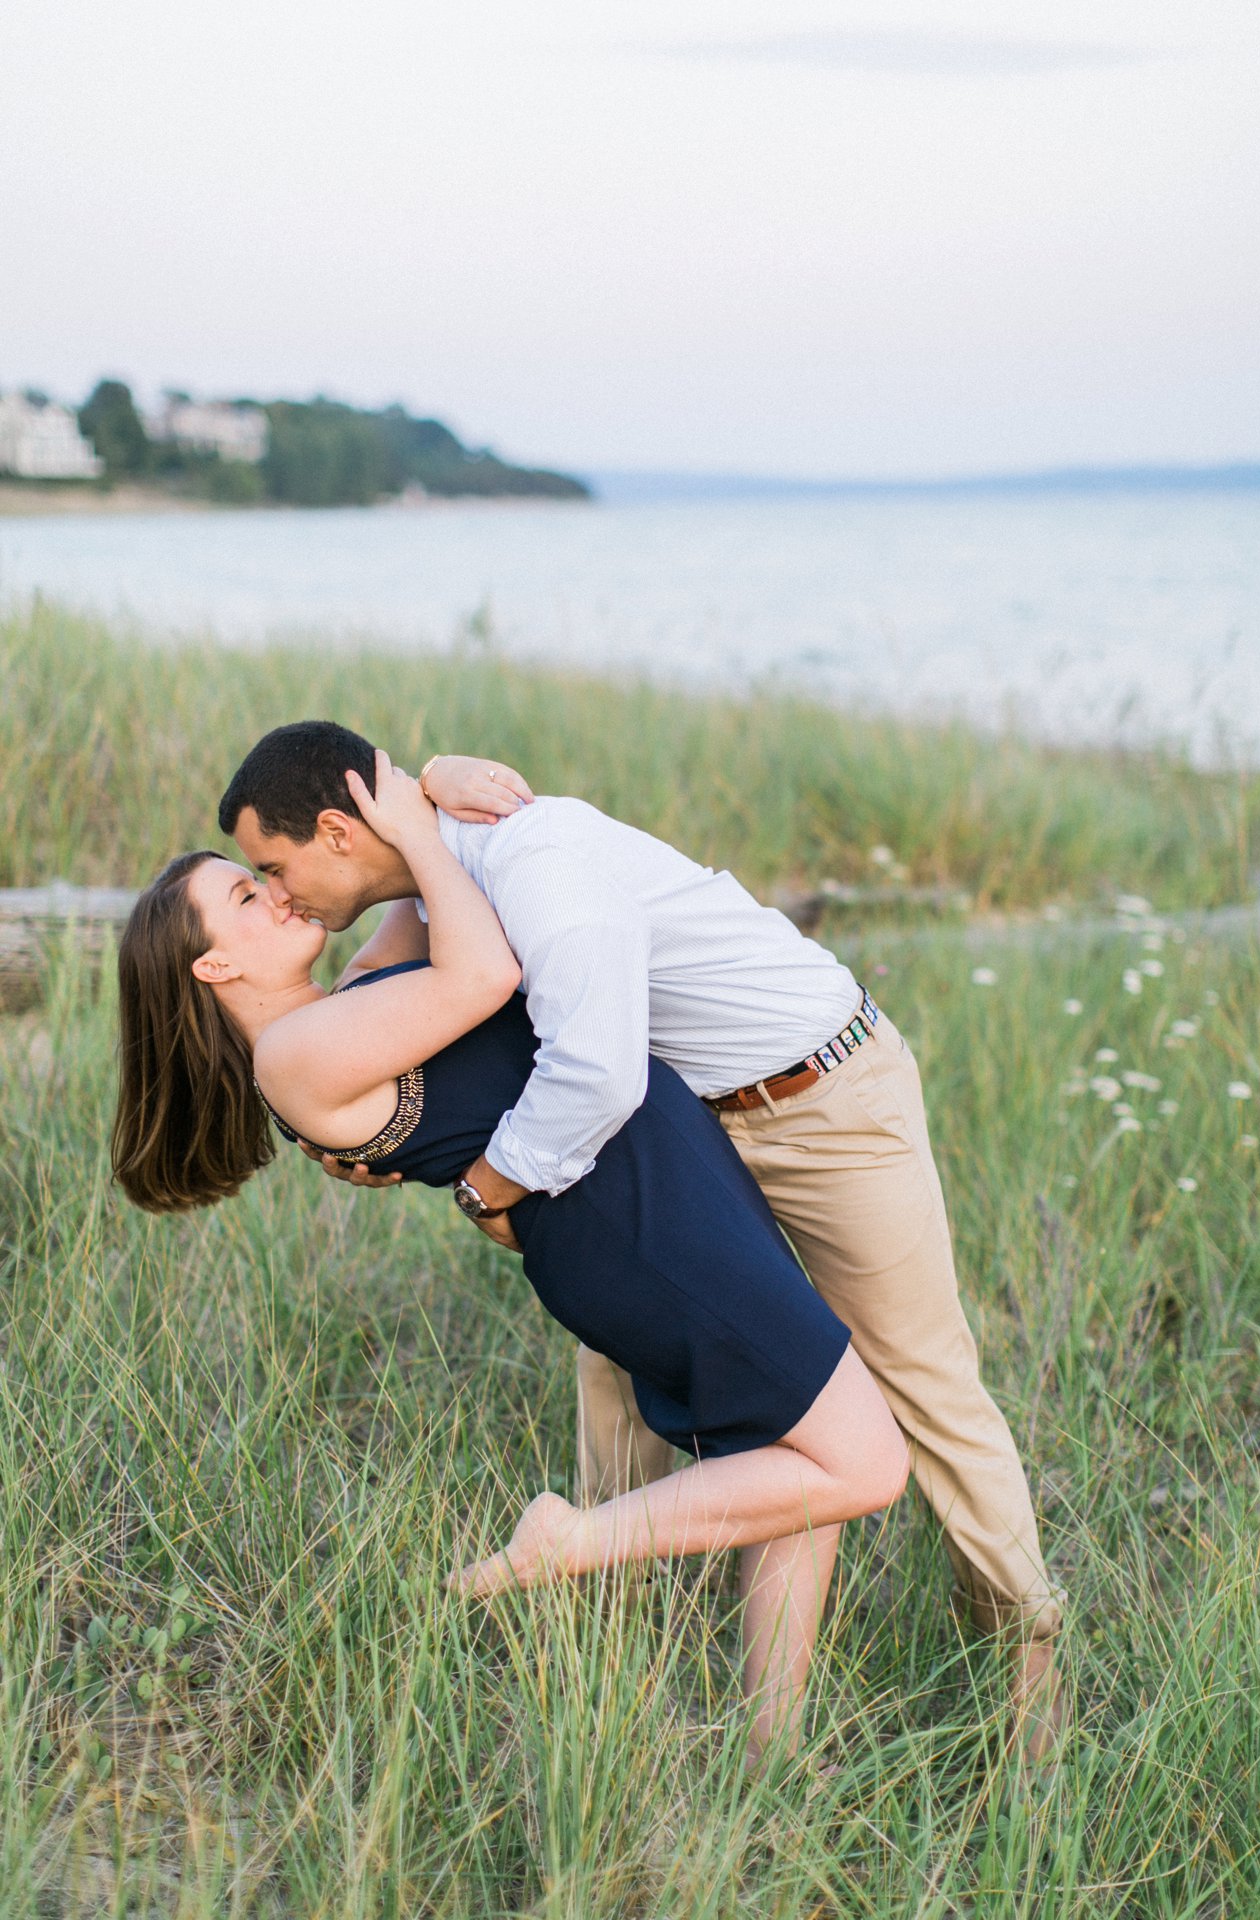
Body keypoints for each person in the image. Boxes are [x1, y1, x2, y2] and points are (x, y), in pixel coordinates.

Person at [218, 723, 1065, 1759]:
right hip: (686, 1125)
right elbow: (411, 1012)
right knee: (617, 1372)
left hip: (822, 1098)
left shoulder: (532, 867)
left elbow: (593, 1073)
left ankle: (1027, 1664)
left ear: (343, 832)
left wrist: (489, 1186)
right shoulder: (440, 873)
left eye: (274, 866)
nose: (279, 890)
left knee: (921, 1384)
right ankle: (621, 1641)